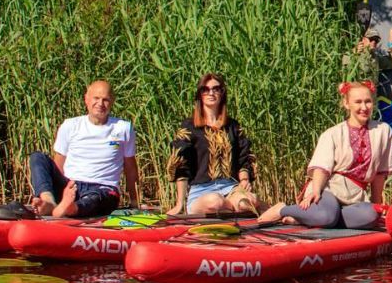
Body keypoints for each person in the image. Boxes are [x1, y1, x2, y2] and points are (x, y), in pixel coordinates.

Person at [258, 81, 391, 229]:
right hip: (330, 188)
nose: (364, 107)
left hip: (356, 196)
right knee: (326, 216)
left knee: (370, 217)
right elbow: (321, 168)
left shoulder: (383, 131)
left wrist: (377, 205)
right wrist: (316, 191)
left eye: (368, 101)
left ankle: (308, 218)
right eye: (358, 102)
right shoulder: (332, 133)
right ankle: (283, 209)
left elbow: (380, 174)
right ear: (347, 104)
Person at [29, 80, 139, 218]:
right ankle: (49, 201)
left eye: (105, 100)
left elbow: (130, 167)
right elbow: (58, 166)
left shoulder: (123, 128)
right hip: (71, 186)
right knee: (37, 157)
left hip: (102, 188)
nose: (100, 104)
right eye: (96, 98)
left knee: (97, 199)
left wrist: (134, 200)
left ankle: (71, 208)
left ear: (112, 102)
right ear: (86, 99)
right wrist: (62, 191)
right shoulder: (70, 125)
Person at [164, 73, 258, 216]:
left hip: (230, 187)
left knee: (249, 201)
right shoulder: (189, 127)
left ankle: (235, 207)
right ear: (200, 94)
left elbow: (244, 157)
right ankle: (233, 208)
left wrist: (244, 180)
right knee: (215, 202)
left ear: (222, 93)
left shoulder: (232, 126)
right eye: (205, 89)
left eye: (216, 89)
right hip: (201, 190)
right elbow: (181, 164)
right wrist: (179, 204)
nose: (211, 93)